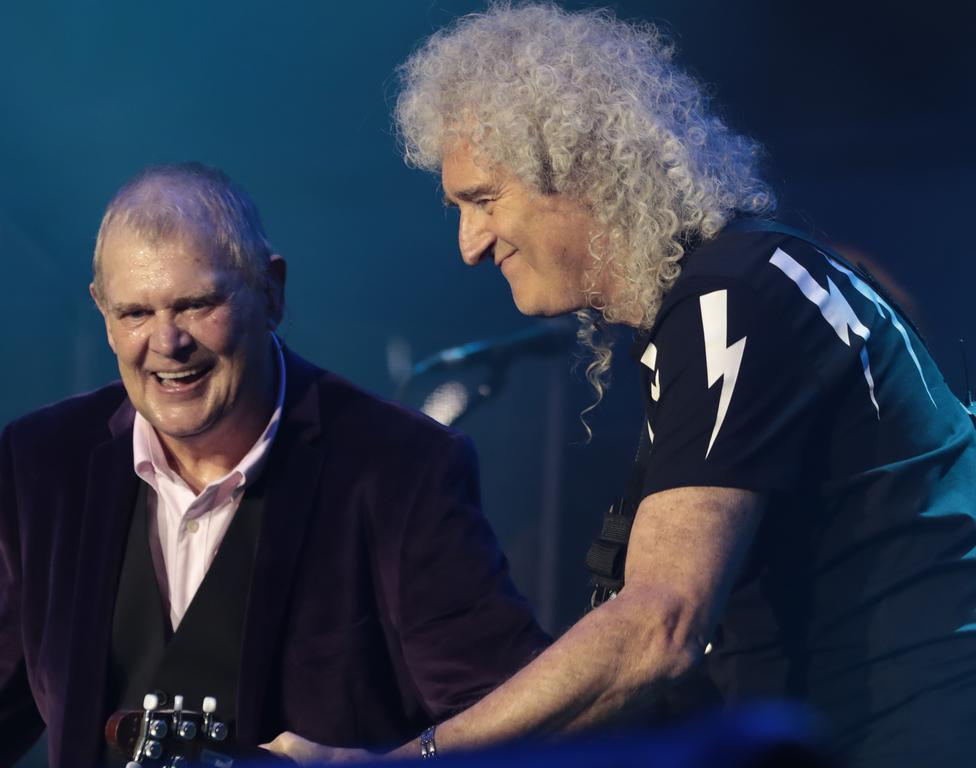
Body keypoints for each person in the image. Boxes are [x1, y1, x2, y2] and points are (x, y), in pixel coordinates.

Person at [266, 4, 976, 766]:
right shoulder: (743, 284)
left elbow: (660, 627)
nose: (470, 244)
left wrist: (409, 760)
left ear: (576, 166)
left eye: (482, 200)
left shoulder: (730, 298)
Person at [0, 163, 549, 767]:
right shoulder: (46, 464)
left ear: (271, 292)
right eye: (135, 313)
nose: (167, 342)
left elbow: (514, 717)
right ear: (102, 314)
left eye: (196, 305)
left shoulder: (401, 469)